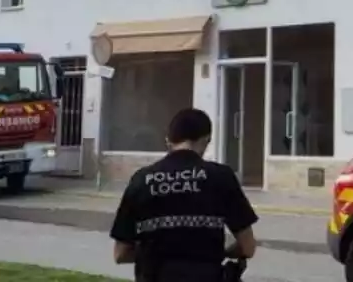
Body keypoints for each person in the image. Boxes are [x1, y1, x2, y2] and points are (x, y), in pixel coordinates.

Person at [110, 108, 259, 281]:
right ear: (206, 140)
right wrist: (220, 252)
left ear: (168, 142)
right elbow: (248, 247)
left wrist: (154, 254)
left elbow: (120, 254)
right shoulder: (221, 177)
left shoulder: (141, 180)